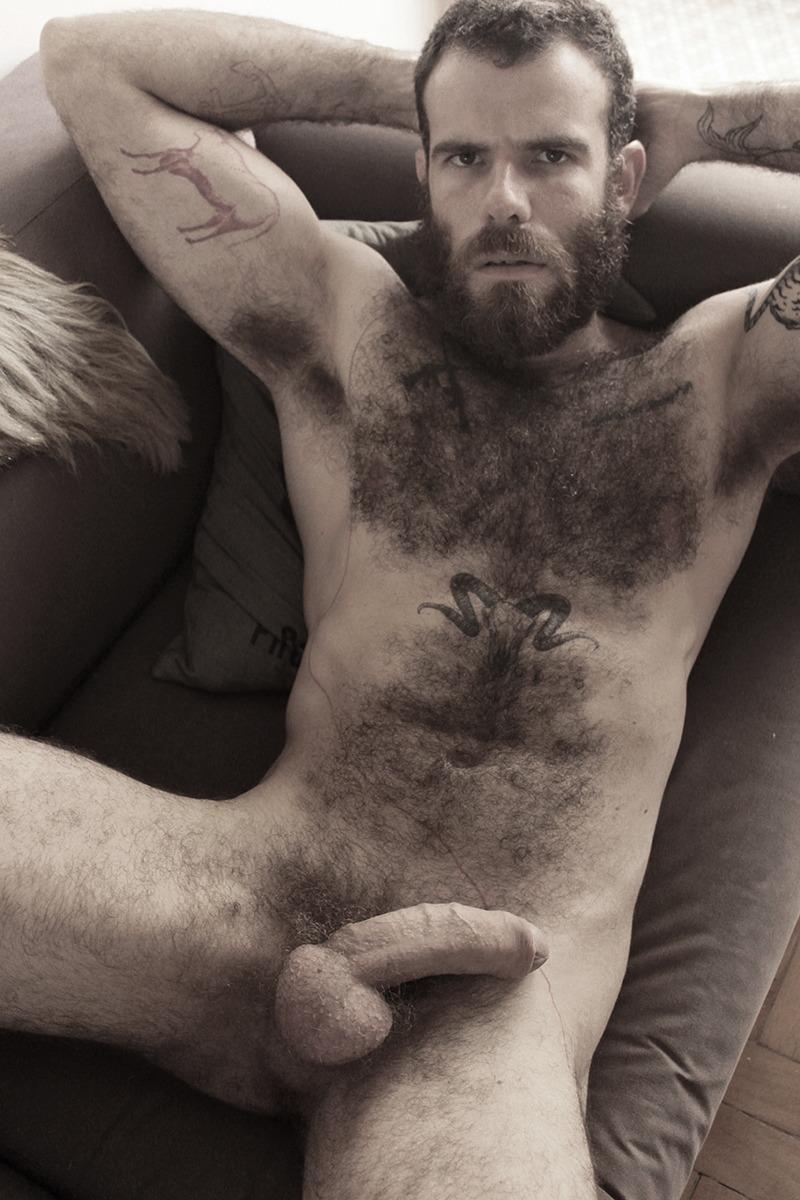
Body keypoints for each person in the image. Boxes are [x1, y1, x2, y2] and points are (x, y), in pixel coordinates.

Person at [14, 0, 799, 1195]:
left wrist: (708, 119)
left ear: (625, 176)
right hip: (247, 893)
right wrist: (418, 95)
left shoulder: (723, 381)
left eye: (551, 155)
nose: (504, 202)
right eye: (465, 160)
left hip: (490, 996)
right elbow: (88, 57)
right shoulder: (351, 334)